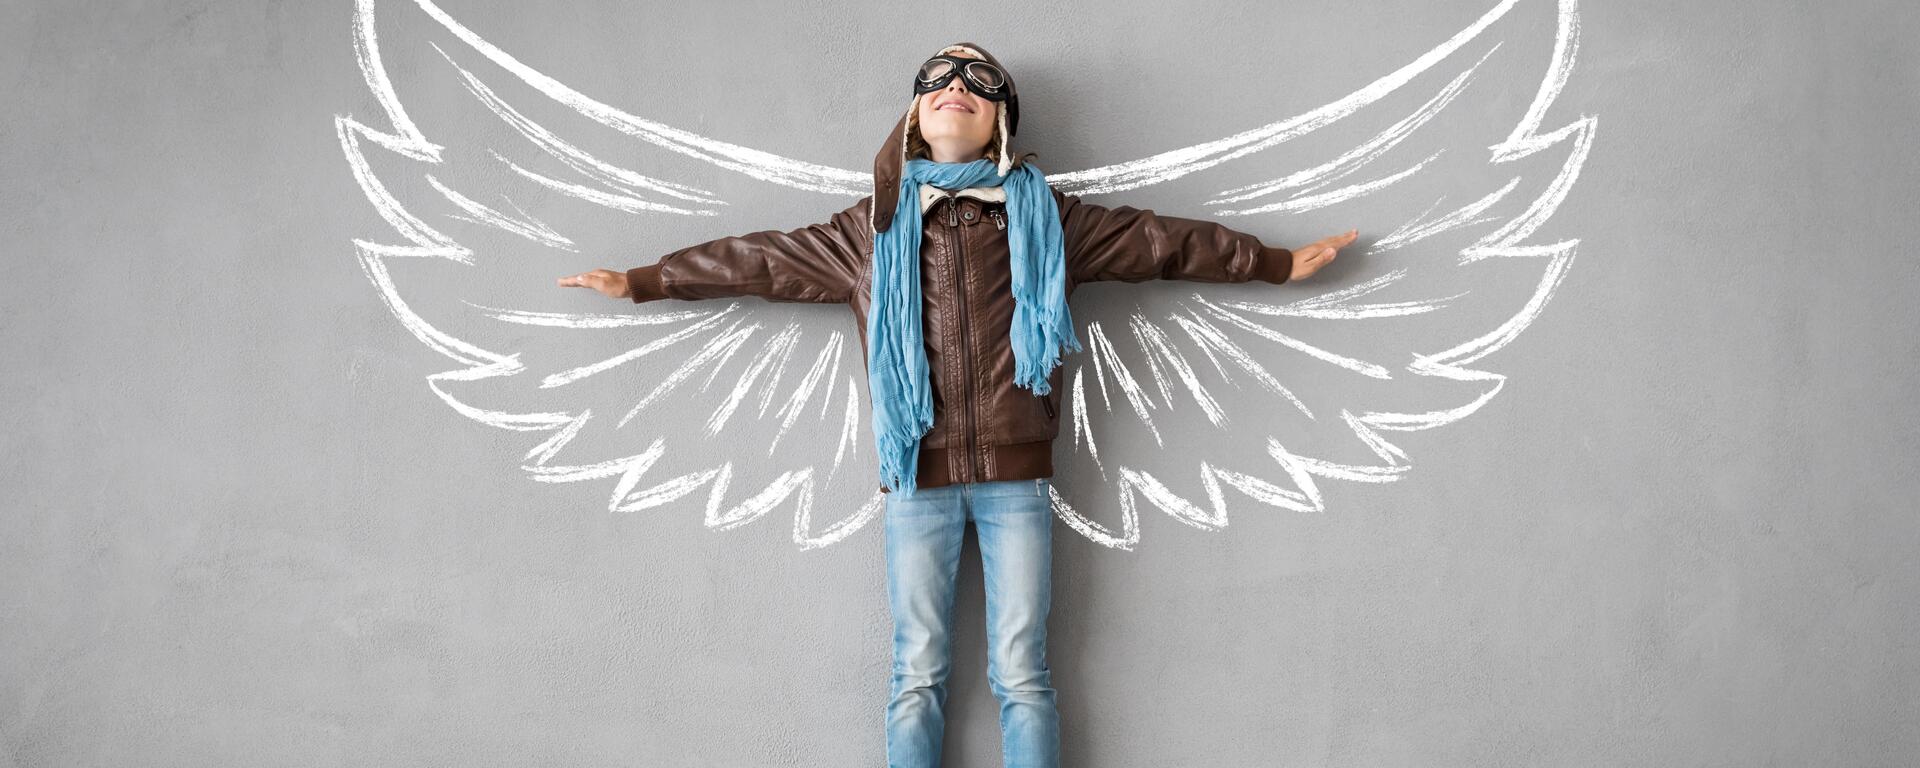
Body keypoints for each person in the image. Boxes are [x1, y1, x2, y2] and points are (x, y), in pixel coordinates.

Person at [559, 41, 1353, 768]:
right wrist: (647, 280)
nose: (954, 87)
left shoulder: (1053, 220)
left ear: (1001, 117)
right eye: (936, 77)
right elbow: (758, 262)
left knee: (1024, 673)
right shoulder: (867, 232)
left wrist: (1274, 263)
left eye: (979, 80)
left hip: (1017, 483)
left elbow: (1164, 243)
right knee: (916, 673)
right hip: (916, 483)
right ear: (913, 116)